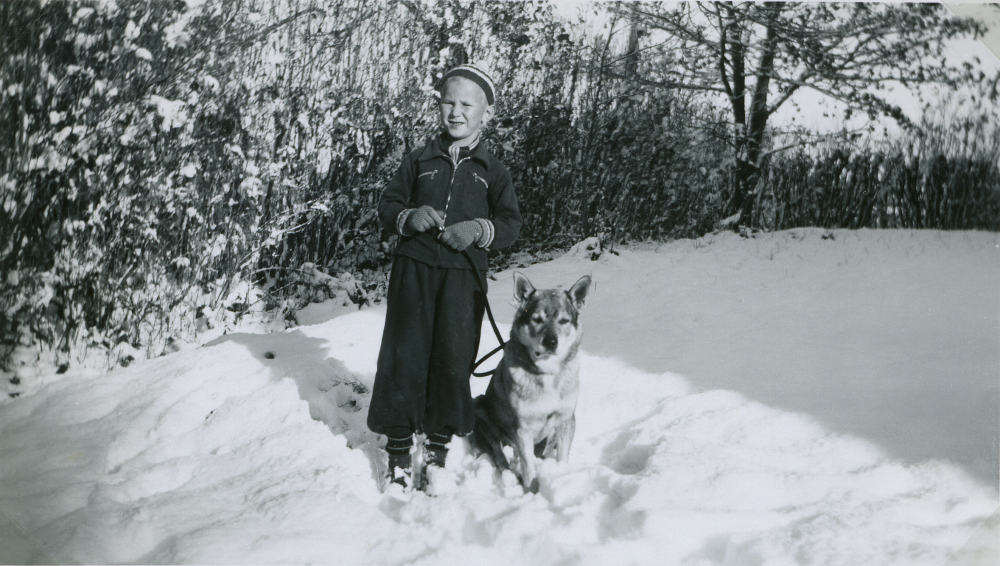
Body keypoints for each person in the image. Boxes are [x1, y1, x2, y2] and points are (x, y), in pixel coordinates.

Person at [367, 64, 522, 491]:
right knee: (404, 357)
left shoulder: (493, 170)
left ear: (485, 114)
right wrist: (409, 216)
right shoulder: (418, 160)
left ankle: (437, 447)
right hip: (413, 272)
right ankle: (398, 448)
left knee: (452, 360)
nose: (455, 112)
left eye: (466, 105)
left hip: (463, 278)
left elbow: (510, 224)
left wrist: (478, 229)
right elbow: (387, 205)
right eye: (448, 102)